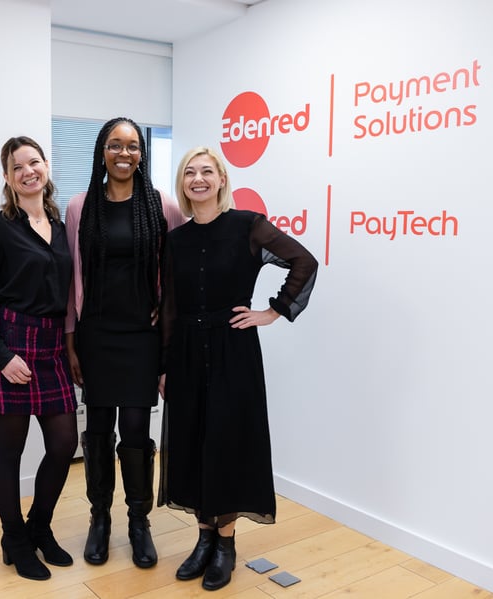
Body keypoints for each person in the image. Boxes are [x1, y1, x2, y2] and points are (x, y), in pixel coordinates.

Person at [157, 147, 318, 591]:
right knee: (192, 442)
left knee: (227, 443)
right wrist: (164, 364)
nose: (198, 179)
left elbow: (304, 261)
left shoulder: (248, 225)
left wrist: (274, 310)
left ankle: (225, 544)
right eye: (190, 173)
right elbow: (169, 306)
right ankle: (203, 539)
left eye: (207, 171)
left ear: (222, 179)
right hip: (187, 353)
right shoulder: (174, 240)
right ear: (183, 184)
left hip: (233, 349)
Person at [65, 117, 187, 568]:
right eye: (115, 144)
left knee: (136, 431)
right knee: (97, 430)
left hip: (142, 336)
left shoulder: (162, 205)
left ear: (142, 153)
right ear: (102, 151)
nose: (124, 153)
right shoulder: (81, 206)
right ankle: (101, 519)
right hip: (95, 334)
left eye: (133, 146)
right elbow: (73, 276)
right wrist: (71, 340)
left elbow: (177, 272)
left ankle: (139, 521)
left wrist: (166, 314)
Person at [0, 136, 78, 581]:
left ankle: (40, 528)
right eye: (18, 167)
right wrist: (0, 354)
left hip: (50, 346)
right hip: (9, 344)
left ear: (46, 166)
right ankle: (14, 538)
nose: (29, 171)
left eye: (34, 162)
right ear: (8, 177)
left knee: (64, 443)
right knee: (9, 449)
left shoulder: (61, 225)